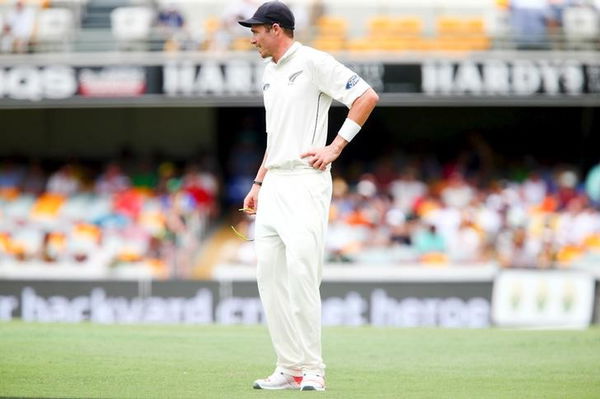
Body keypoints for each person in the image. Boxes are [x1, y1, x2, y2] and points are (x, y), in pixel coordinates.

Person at [238, 1, 379, 392]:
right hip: (276, 183)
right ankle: (288, 366)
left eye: (256, 31)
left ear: (276, 29)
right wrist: (258, 183)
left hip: (306, 180)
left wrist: (334, 148)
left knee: (302, 275)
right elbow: (275, 137)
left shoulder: (314, 62)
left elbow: (366, 97)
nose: (252, 39)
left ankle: (313, 368)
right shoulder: (269, 73)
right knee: (269, 278)